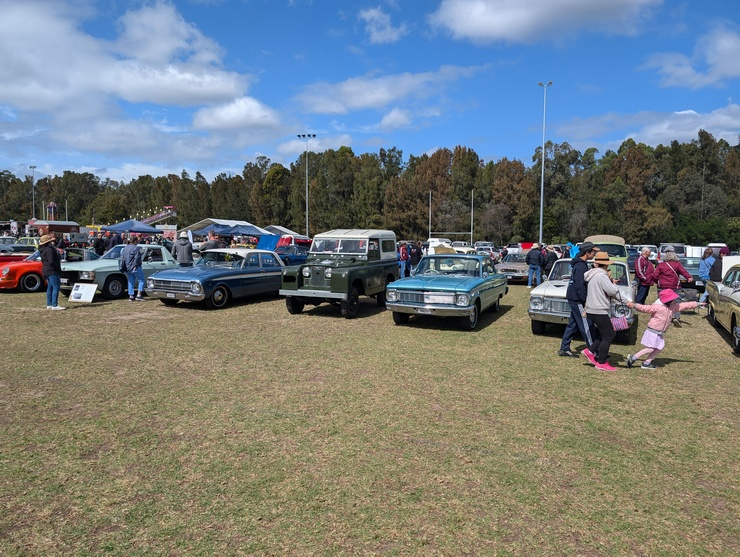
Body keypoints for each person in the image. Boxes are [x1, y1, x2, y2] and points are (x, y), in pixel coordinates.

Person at [625, 289, 706, 369]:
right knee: (650, 349)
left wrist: (697, 303)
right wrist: (634, 305)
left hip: (660, 332)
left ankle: (646, 363)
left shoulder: (673, 307)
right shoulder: (657, 307)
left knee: (659, 347)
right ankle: (633, 358)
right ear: (668, 300)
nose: (674, 300)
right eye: (672, 299)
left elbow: (685, 305)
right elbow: (645, 308)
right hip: (653, 331)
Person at [559, 241, 598, 358]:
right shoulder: (581, 266)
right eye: (593, 252)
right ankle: (594, 351)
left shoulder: (581, 264)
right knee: (587, 325)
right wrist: (585, 300)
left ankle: (564, 348)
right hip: (578, 300)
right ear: (587, 252)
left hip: (574, 299)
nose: (594, 254)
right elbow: (580, 286)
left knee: (573, 324)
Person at [583, 251, 620, 372]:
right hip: (599, 309)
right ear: (606, 264)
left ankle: (590, 350)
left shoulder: (593, 275)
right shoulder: (602, 276)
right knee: (609, 336)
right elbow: (613, 291)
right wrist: (613, 284)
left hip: (592, 309)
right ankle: (601, 362)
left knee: (606, 333)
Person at [651, 247, 693, 326]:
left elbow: (655, 276)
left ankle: (661, 317)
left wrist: (658, 282)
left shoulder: (661, 265)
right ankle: (676, 318)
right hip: (674, 286)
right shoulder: (677, 265)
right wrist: (689, 277)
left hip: (662, 286)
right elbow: (683, 271)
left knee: (662, 301)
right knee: (676, 302)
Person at [39, 234, 66, 310]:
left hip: (46, 269)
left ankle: (49, 304)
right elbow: (51, 260)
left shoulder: (42, 249)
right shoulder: (49, 249)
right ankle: (55, 304)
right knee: (56, 287)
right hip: (52, 270)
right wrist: (57, 267)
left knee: (50, 287)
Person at [121, 237, 145, 302]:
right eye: (137, 241)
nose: (137, 242)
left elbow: (123, 258)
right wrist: (135, 265)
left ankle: (131, 296)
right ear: (135, 241)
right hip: (135, 267)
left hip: (127, 267)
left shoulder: (125, 248)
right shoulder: (135, 248)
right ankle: (139, 295)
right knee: (141, 279)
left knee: (131, 281)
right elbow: (136, 258)